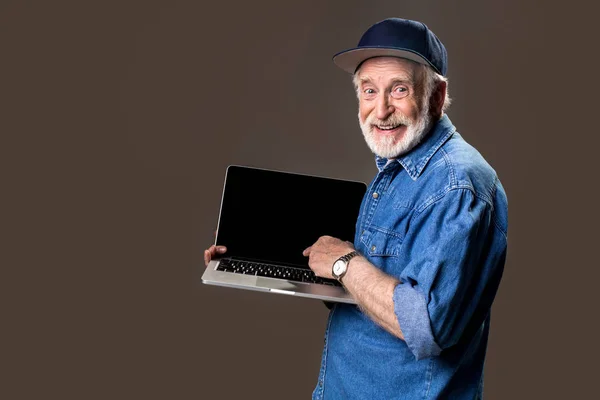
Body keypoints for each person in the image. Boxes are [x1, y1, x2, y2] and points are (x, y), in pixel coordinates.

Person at [204, 18, 508, 399]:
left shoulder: (455, 184)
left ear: (435, 94)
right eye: (368, 91)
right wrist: (257, 254)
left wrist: (344, 262)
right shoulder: (400, 167)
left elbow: (426, 326)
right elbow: (371, 291)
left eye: (399, 89)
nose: (380, 110)